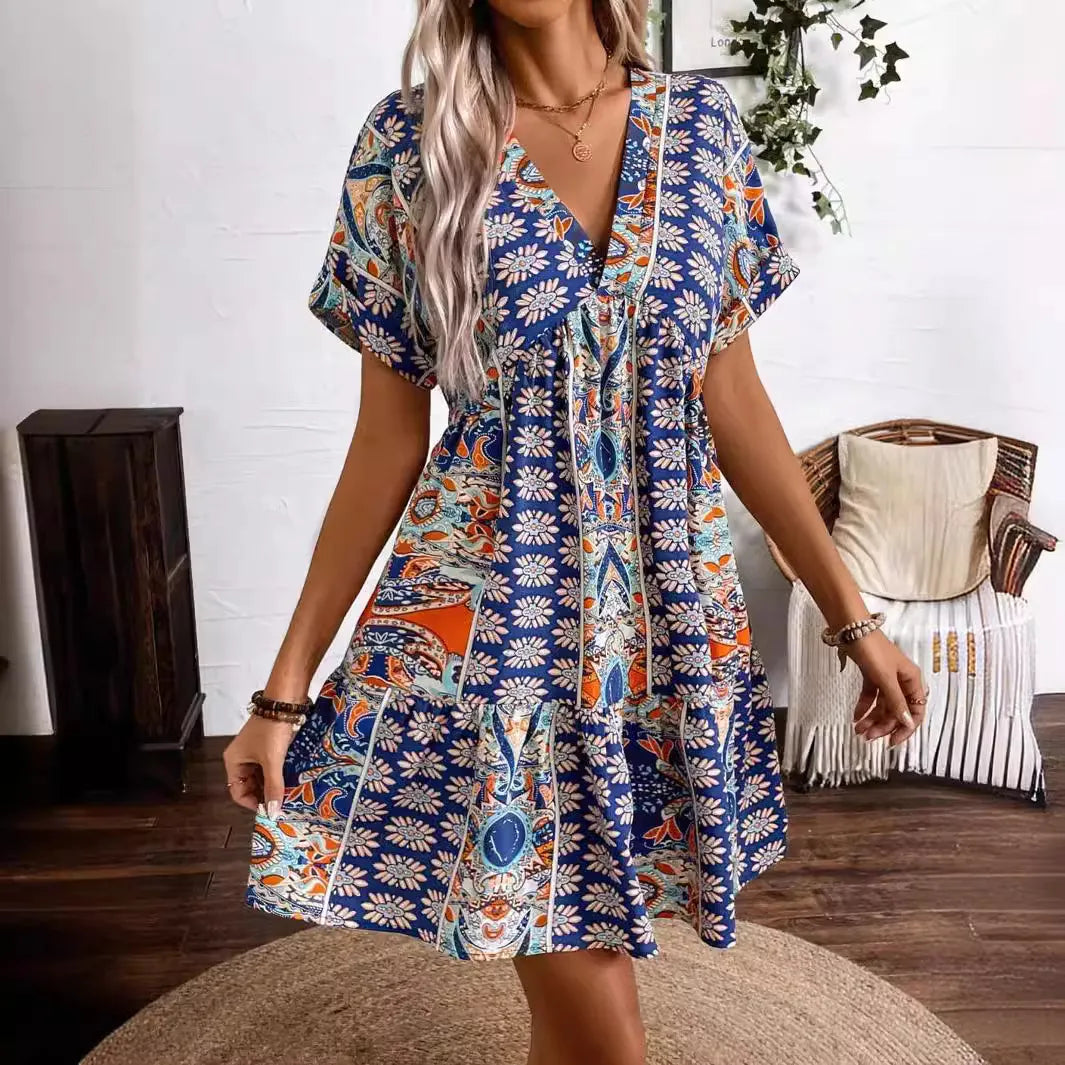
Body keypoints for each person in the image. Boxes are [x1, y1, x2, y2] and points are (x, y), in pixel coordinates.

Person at [224, 2, 928, 1061]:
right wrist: (284, 691)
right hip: (495, 633)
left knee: (581, 1011)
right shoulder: (409, 143)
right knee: (606, 1033)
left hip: (663, 633)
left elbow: (734, 402)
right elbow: (384, 443)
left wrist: (850, 617)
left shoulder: (701, 131)